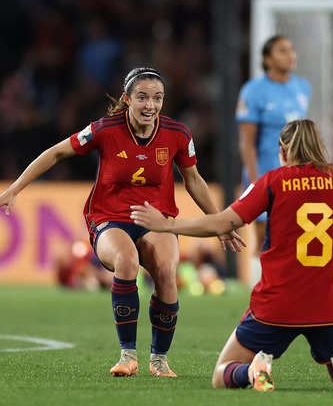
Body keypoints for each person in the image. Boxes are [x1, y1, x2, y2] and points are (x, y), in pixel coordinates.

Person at [130, 119, 333, 393]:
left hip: (277, 305)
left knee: (223, 372)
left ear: (283, 151)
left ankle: (253, 370)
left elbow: (222, 222)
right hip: (332, 306)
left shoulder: (273, 182)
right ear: (320, 148)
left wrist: (168, 225)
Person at [0, 67, 244, 378]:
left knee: (167, 272)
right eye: (142, 98)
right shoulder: (104, 129)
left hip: (156, 220)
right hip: (109, 218)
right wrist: (15, 189)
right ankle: (128, 355)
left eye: (157, 99)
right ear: (127, 99)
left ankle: (159, 360)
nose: (150, 106)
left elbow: (194, 181)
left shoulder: (178, 134)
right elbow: (56, 153)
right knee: (127, 261)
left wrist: (220, 221)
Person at [236, 35, 311, 288]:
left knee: (291, 235)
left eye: (291, 49)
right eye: (282, 51)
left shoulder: (302, 87)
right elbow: (246, 141)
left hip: (295, 176)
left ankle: (285, 291)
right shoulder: (253, 91)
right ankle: (259, 295)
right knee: (262, 237)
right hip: (265, 173)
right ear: (267, 59)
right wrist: (255, 179)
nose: (290, 55)